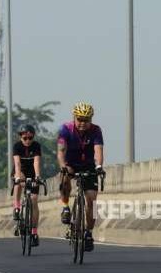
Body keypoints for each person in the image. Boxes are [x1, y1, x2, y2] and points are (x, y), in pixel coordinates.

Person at [57, 101, 105, 252]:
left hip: (89, 165)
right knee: (65, 179)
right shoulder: (66, 129)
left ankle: (89, 233)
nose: (83, 123)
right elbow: (61, 150)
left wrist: (99, 167)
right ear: (74, 117)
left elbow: (98, 150)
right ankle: (65, 207)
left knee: (93, 202)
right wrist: (63, 166)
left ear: (91, 119)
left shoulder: (96, 130)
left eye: (87, 120)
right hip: (71, 163)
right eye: (80, 119)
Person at [12, 124, 43, 247]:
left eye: (30, 138)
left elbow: (36, 162)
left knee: (34, 200)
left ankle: (34, 232)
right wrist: (18, 177)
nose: (28, 141)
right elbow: (17, 163)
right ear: (20, 137)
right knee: (18, 183)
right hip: (21, 171)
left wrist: (38, 176)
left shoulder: (36, 146)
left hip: (32, 171)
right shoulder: (17, 146)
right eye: (25, 138)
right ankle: (17, 206)